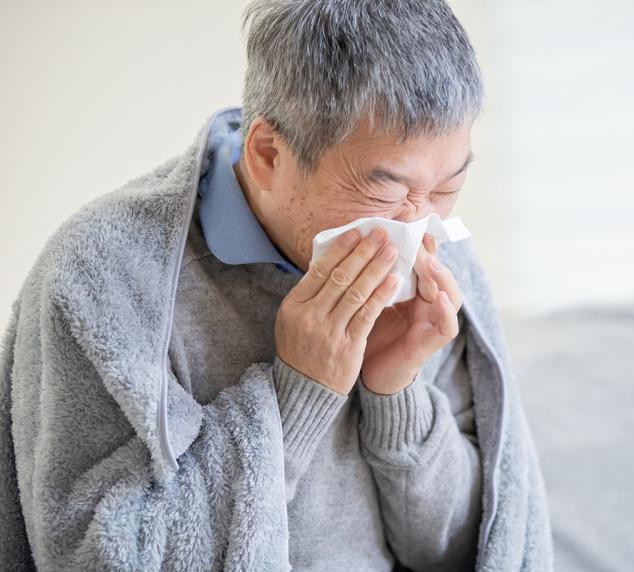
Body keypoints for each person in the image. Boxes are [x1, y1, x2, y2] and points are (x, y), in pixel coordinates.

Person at [0, 1, 553, 570]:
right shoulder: (104, 278)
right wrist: (299, 393)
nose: (417, 226)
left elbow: (473, 548)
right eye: (390, 191)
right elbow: (102, 557)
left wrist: (396, 392)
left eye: (445, 189)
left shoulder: (443, 262)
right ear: (267, 154)